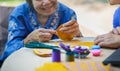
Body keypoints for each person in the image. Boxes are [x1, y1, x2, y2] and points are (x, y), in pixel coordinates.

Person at [0, 0, 82, 64]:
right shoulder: (19, 14)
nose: (46, 2)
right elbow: (8, 52)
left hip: (60, 63)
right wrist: (27, 40)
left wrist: (77, 35)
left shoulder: (68, 13)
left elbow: (81, 49)